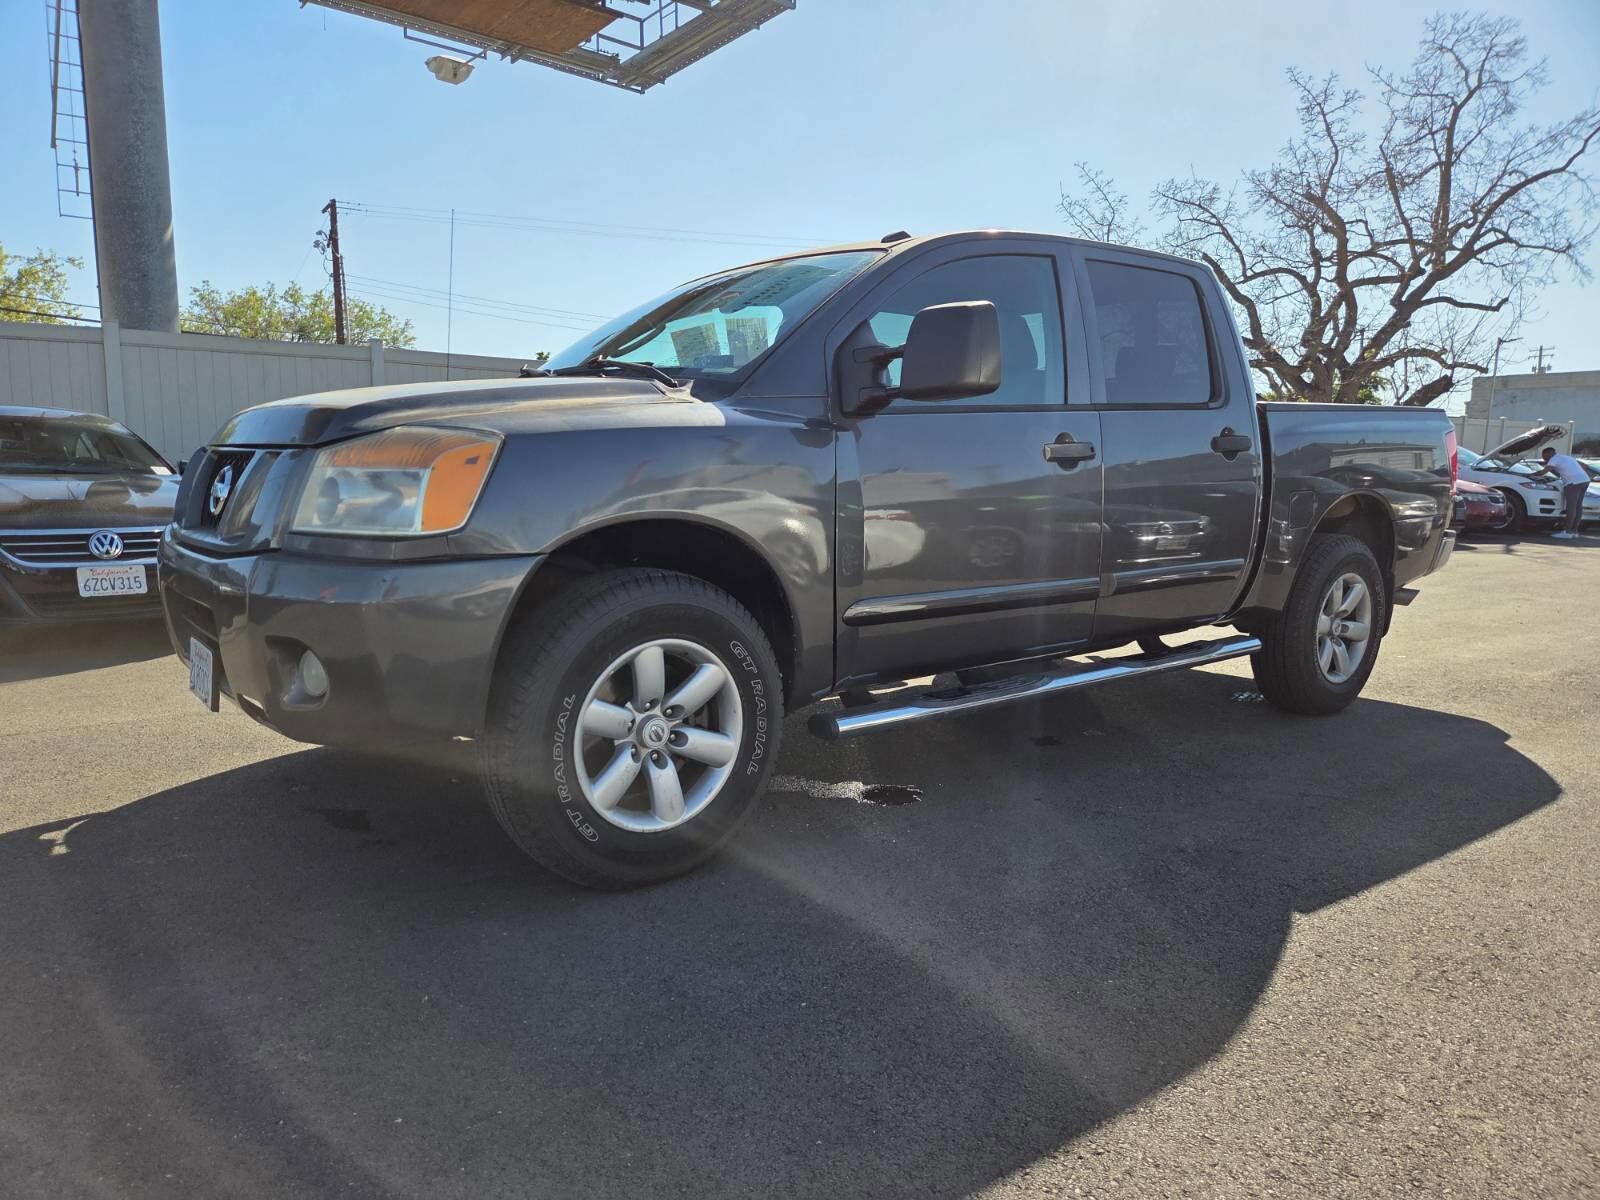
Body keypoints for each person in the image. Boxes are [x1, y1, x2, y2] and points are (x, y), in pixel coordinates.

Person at [1527, 445, 1591, 539]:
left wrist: (1530, 475)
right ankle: (1574, 532)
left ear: (1549, 453)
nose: (1545, 460)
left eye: (1545, 457)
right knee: (1578, 507)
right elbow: (1585, 466)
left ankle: (1567, 532)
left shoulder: (1554, 458)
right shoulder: (1566, 457)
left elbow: (1544, 472)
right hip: (1585, 480)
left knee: (1571, 507)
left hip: (1573, 483)